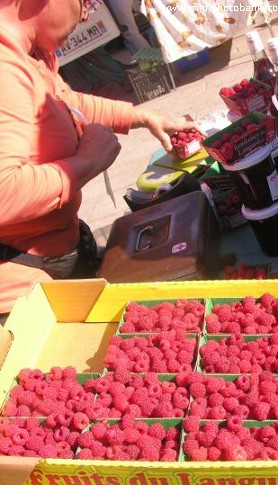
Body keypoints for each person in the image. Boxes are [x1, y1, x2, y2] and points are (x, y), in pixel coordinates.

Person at [0, 0, 200, 317]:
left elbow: (64, 101)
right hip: (25, 301)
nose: (86, 14)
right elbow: (4, 192)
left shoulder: (27, 53)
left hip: (60, 259)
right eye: (85, 0)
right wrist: (88, 162)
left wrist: (140, 116)